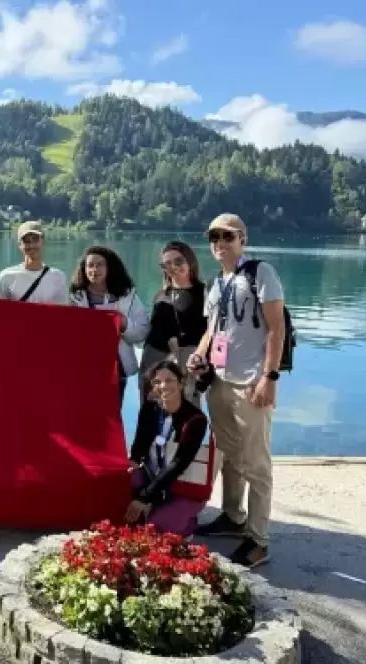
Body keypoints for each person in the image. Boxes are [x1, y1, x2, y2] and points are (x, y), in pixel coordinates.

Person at [189, 213, 286, 569]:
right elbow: (212, 330)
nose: (220, 242)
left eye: (227, 236)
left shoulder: (261, 273)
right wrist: (200, 354)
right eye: (214, 236)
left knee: (257, 463)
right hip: (219, 380)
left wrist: (269, 378)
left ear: (242, 239)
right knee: (229, 454)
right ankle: (233, 516)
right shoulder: (217, 283)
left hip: (250, 382)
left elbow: (276, 329)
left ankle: (258, 540)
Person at [127, 361, 209, 537]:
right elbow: (139, 444)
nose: (163, 386)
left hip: (182, 486)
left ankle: (187, 522)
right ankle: (154, 507)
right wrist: (132, 464)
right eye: (157, 382)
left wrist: (143, 497)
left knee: (155, 529)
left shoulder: (196, 419)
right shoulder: (150, 409)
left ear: (181, 383)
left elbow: (179, 464)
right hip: (153, 479)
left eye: (169, 380)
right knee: (125, 480)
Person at [69, 245, 150, 405]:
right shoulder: (76, 297)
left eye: (100, 264)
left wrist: (124, 324)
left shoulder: (127, 296)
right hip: (85, 366)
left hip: (117, 366)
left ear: (110, 267)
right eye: (90, 265)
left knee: (112, 413)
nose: (94, 269)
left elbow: (142, 332)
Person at [139, 241, 207, 406]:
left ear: (190, 261)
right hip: (153, 362)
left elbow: (209, 330)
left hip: (186, 362)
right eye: (166, 264)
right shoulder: (161, 295)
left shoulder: (204, 293)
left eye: (178, 261)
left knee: (187, 411)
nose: (173, 267)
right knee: (151, 414)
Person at [0, 221, 68, 304]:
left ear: (43, 242)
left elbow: (62, 313)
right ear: (19, 245)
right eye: (26, 241)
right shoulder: (6, 276)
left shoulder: (58, 277)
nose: (31, 245)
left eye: (35, 239)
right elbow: (0, 312)